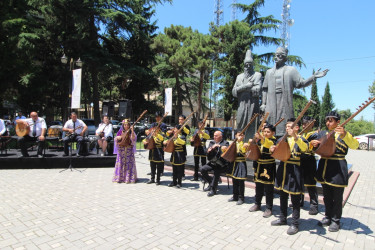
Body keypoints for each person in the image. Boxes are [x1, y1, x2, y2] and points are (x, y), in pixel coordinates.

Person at [260, 47, 329, 136]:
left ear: (285, 58)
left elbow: (301, 83)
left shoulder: (291, 70)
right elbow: (265, 89)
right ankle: (270, 137)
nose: (277, 57)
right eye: (276, 55)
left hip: (284, 101)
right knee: (270, 121)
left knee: (285, 121)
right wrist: (263, 103)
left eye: (280, 55)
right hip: (271, 102)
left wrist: (313, 77)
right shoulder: (269, 72)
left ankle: (285, 137)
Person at [311, 111, 359, 232]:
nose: (328, 123)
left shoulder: (344, 134)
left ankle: (336, 220)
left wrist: (345, 134)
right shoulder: (322, 133)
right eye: (327, 120)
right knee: (326, 196)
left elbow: (355, 145)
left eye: (331, 120)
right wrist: (314, 144)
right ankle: (327, 216)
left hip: (337, 167)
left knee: (337, 197)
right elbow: (313, 149)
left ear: (338, 122)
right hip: (324, 167)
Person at [270, 118, 308, 235]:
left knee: (295, 199)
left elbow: (305, 148)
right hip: (283, 169)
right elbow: (276, 152)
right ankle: (282, 218)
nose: (287, 129)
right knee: (282, 195)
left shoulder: (301, 139)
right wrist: (272, 149)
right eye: (286, 127)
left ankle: (295, 223)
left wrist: (296, 137)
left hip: (295, 170)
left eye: (290, 127)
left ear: (297, 128)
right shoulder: (282, 139)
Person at [232, 50, 262, 140]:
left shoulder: (257, 75)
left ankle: (251, 146)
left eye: (250, 64)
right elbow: (234, 92)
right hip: (241, 105)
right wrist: (246, 86)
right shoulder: (239, 77)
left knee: (252, 125)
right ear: (244, 65)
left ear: (253, 65)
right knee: (240, 124)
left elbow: (257, 90)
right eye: (246, 64)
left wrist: (241, 89)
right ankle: (240, 146)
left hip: (252, 105)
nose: (248, 66)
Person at [249, 124, 277, 218]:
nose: (265, 133)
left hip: (268, 166)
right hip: (259, 165)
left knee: (269, 188)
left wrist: (261, 138)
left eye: (268, 132)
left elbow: (268, 144)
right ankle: (257, 203)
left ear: (273, 133)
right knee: (258, 186)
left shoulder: (274, 140)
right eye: (264, 131)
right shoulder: (261, 140)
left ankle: (269, 208)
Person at [200, 130, 229, 197]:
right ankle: (211, 183)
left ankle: (213, 190)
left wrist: (218, 146)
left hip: (222, 164)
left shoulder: (225, 143)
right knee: (202, 169)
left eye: (216, 136)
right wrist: (208, 150)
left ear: (220, 136)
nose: (214, 137)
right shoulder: (211, 142)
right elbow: (206, 152)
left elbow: (226, 152)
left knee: (216, 172)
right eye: (214, 135)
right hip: (213, 162)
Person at [299, 116, 319, 215]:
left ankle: (314, 205)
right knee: (300, 182)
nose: (303, 126)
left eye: (306, 124)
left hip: (309, 160)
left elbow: (312, 148)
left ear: (311, 125)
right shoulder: (301, 134)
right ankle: (300, 201)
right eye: (303, 124)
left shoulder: (314, 135)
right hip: (300, 160)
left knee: (311, 183)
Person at [165, 115, 190, 188]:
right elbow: (168, 137)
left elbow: (183, 141)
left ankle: (179, 182)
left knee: (179, 169)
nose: (180, 120)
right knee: (174, 169)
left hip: (180, 153)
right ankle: (174, 181)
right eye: (179, 119)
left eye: (181, 119)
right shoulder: (174, 135)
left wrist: (182, 127)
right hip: (174, 154)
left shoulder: (182, 136)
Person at [144, 111, 167, 185]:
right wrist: (148, 132)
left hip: (159, 147)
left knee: (159, 164)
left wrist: (157, 133)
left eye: (159, 117)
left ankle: (158, 179)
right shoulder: (153, 124)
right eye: (156, 117)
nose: (157, 118)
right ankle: (152, 178)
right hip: (152, 146)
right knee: (152, 163)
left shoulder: (163, 125)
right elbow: (149, 133)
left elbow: (164, 135)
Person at [113, 119, 137, 183]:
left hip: (129, 149)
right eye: (125, 125)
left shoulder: (131, 132)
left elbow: (133, 139)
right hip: (121, 150)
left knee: (129, 163)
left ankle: (128, 178)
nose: (126, 126)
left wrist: (132, 131)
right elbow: (115, 139)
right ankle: (120, 177)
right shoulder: (120, 132)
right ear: (123, 125)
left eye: (127, 125)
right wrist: (117, 138)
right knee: (121, 162)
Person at [227, 132, 248, 205]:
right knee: (234, 180)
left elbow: (244, 153)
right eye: (239, 135)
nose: (240, 136)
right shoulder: (233, 143)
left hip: (241, 163)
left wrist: (241, 143)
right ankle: (235, 196)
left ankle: (241, 197)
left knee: (241, 181)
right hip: (234, 163)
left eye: (242, 135)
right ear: (235, 135)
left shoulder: (245, 144)